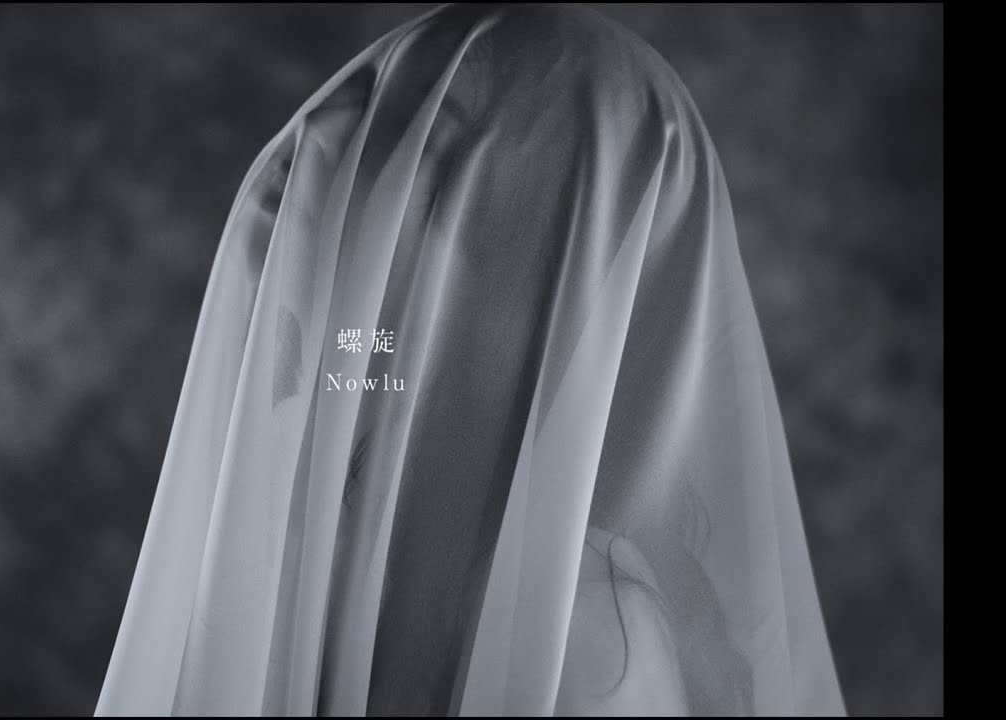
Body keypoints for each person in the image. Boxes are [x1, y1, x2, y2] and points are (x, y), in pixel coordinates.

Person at [95, 4, 846, 715]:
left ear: (516, 268)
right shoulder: (322, 546)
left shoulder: (584, 644)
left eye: (422, 162)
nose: (327, 171)